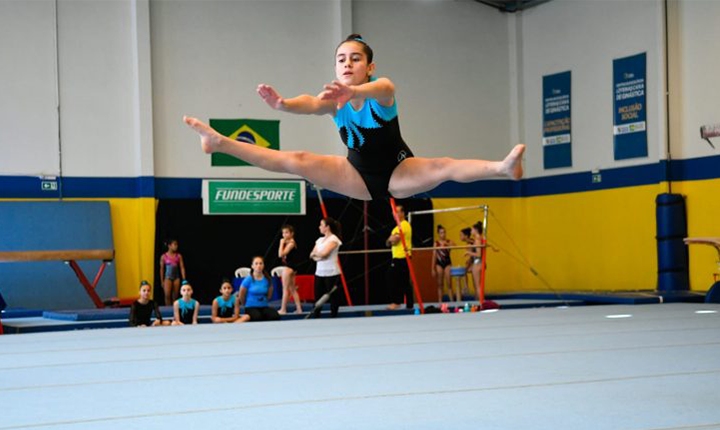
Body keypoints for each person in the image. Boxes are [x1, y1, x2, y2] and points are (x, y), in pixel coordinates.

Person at [184, 34, 524, 202]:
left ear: (369, 67)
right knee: (297, 160)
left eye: (356, 59)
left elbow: (386, 88)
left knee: (443, 165)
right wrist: (283, 105)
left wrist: (356, 93)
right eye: (341, 59)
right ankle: (220, 143)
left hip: (398, 172)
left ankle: (502, 168)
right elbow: (312, 103)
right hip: (356, 175)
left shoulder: (380, 90)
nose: (347, 64)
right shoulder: (334, 98)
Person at [309, 217, 343, 318]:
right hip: (319, 271)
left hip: (332, 272)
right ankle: (316, 315)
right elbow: (311, 254)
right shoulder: (319, 240)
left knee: (332, 295)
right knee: (318, 295)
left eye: (321, 225)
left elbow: (325, 254)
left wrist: (318, 255)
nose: (319, 227)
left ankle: (333, 315)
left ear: (327, 227)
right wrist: (318, 256)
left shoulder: (334, 239)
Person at [386, 204, 412, 310]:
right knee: (403, 281)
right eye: (393, 212)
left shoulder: (404, 225)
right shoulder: (396, 227)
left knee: (393, 279)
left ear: (402, 213)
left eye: (396, 212)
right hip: (398, 257)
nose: (394, 214)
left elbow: (394, 240)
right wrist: (390, 240)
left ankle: (397, 302)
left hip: (401, 257)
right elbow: (388, 243)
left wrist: (390, 240)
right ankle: (409, 304)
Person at [238, 256, 280, 322]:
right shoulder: (248, 279)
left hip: (263, 306)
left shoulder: (267, 279)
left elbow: (269, 295)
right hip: (250, 307)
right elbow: (241, 294)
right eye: (256, 263)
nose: (259, 266)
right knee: (257, 317)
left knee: (275, 316)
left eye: (261, 263)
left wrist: (263, 301)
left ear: (263, 265)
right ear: (252, 266)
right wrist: (245, 303)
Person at [277, 225, 303, 315]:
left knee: (285, 289)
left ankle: (283, 309)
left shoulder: (291, 243)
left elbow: (280, 254)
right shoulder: (288, 242)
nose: (284, 235)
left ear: (292, 233)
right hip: (292, 267)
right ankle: (299, 309)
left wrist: (281, 243)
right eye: (283, 233)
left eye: (287, 232)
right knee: (292, 289)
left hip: (289, 268)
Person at [432, 225, 456, 303]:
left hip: (447, 263)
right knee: (440, 284)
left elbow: (455, 246)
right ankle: (440, 301)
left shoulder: (449, 241)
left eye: (444, 232)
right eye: (441, 233)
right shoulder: (436, 243)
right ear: (438, 234)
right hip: (439, 264)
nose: (443, 234)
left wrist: (447, 245)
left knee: (449, 283)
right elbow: (434, 256)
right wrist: (432, 268)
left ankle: (452, 301)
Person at [160, 238, 186, 305]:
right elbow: (162, 269)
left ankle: (175, 309)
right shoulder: (164, 256)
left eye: (177, 245)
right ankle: (167, 310)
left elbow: (182, 267)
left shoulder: (178, 256)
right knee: (167, 295)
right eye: (174, 244)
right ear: (169, 246)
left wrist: (184, 279)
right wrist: (162, 281)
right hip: (167, 277)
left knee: (175, 296)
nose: (176, 246)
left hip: (176, 278)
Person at [465, 222, 486, 302]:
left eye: (472, 229)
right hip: (480, 263)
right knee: (479, 285)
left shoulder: (477, 240)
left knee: (477, 286)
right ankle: (480, 301)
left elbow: (479, 254)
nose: (471, 231)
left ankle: (482, 302)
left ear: (476, 230)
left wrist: (468, 252)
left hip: (477, 263)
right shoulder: (480, 238)